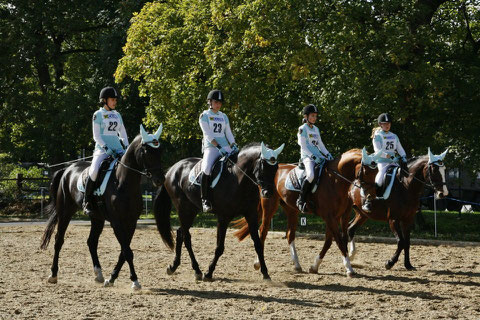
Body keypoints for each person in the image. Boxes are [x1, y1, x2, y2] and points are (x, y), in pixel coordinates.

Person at [83, 87, 129, 217]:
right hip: (102, 150)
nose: (115, 102)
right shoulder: (97, 115)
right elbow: (96, 136)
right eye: (112, 99)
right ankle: (87, 202)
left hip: (118, 149)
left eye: (115, 100)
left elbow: (123, 134)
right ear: (104, 100)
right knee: (94, 171)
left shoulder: (117, 114)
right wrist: (106, 148)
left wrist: (126, 147)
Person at [198, 89, 238, 212]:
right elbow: (208, 135)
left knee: (238, 164)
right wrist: (218, 147)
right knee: (206, 169)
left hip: (225, 146)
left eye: (220, 102)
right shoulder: (204, 116)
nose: (218, 104)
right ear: (210, 102)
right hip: (211, 147)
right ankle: (205, 199)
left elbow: (228, 133)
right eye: (216, 102)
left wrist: (233, 144)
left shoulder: (224, 116)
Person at [362, 112, 407, 212]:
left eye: (389, 124)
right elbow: (378, 151)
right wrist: (388, 155)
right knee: (379, 179)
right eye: (385, 124)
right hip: (382, 162)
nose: (387, 125)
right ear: (380, 124)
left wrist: (403, 156)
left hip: (394, 162)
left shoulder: (394, 136)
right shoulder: (377, 136)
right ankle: (369, 201)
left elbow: (399, 148)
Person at [296, 104, 333, 213]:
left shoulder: (316, 129)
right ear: (306, 116)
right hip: (307, 157)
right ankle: (301, 199)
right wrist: (312, 156)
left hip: (318, 156)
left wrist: (328, 154)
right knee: (311, 175)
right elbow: (303, 146)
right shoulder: (302, 129)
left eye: (315, 116)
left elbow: (320, 145)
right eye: (312, 116)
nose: (314, 118)